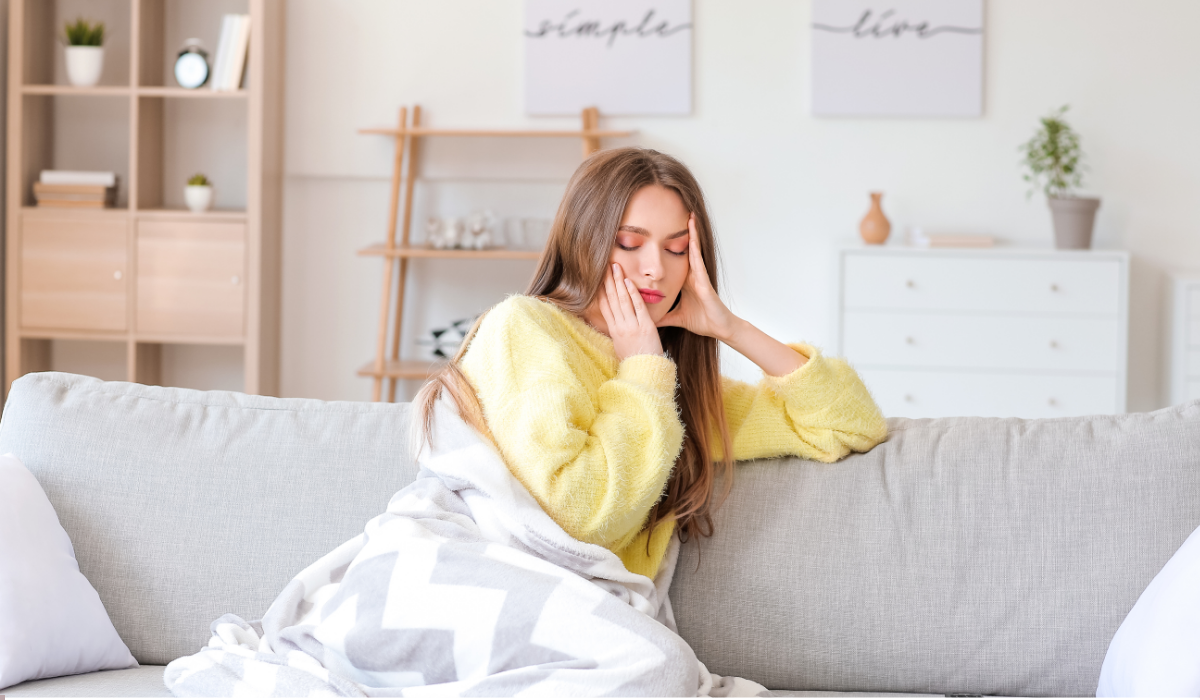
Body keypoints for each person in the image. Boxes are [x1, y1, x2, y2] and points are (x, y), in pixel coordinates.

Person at [415, 147, 887, 581]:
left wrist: (732, 328)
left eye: (677, 249)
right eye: (629, 242)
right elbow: (577, 519)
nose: (656, 269)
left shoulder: (667, 386)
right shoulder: (524, 327)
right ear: (584, 241)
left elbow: (850, 424)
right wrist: (643, 367)